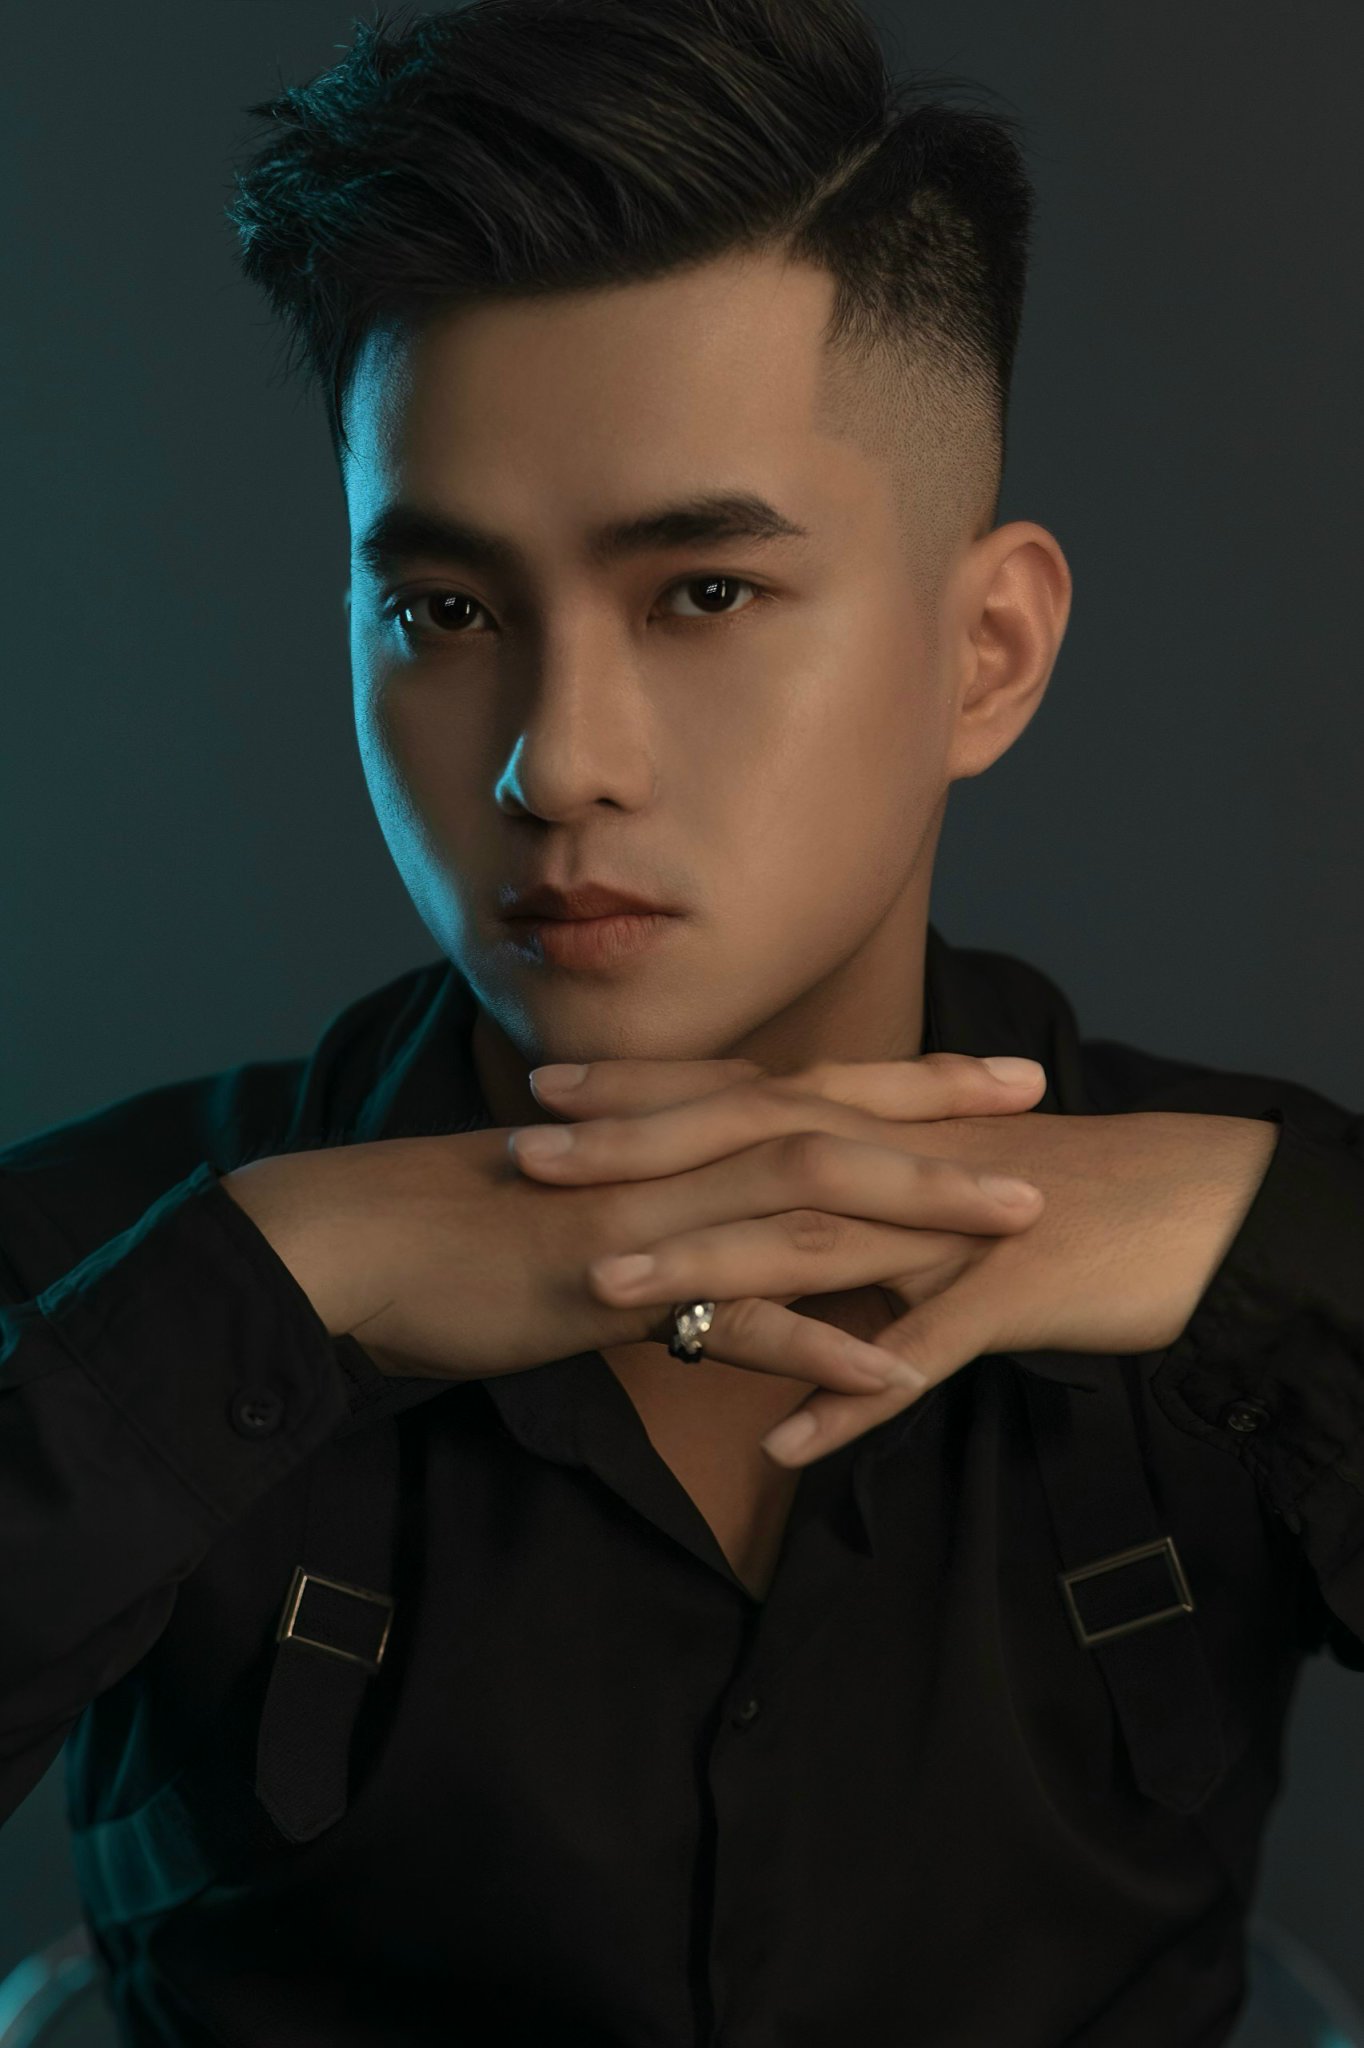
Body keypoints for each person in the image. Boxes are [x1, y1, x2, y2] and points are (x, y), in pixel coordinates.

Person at [3, 1, 1361, 2042]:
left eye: (702, 594)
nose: (557, 760)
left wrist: (1271, 1263)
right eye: (446, 611)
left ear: (986, 654)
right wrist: (286, 1289)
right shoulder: (92, 1262)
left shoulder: (1230, 1263)